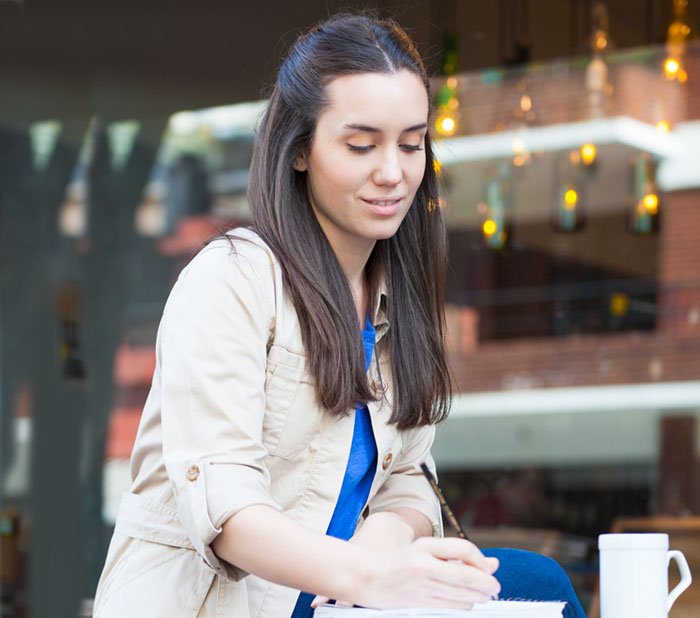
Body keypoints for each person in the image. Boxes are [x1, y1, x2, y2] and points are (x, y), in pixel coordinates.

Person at [93, 13, 585, 618]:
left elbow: (411, 477)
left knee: (535, 580)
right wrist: (366, 577)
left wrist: (385, 546)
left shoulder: (396, 295)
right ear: (299, 150)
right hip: (227, 604)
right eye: (360, 145)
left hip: (338, 601)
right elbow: (225, 509)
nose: (393, 172)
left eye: (411, 144)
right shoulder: (232, 279)